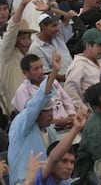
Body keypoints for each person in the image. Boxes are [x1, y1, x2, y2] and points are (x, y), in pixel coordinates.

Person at [8, 53, 61, 185]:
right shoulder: (21, 123)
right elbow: (37, 101)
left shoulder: (51, 132)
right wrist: (54, 72)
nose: (50, 114)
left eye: (51, 110)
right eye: (45, 111)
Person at [64, 21, 101, 109]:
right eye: (99, 45)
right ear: (88, 46)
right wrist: (85, 111)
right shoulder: (78, 65)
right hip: (94, 109)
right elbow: (70, 92)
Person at [12, 54, 76, 129]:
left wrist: (72, 116)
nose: (41, 71)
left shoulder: (53, 82)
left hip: (69, 123)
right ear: (25, 72)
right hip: (49, 129)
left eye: (41, 67)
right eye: (36, 69)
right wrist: (59, 122)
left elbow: (67, 100)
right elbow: (31, 118)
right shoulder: (22, 91)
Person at [0, 0, 37, 115]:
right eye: (22, 38)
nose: (27, 41)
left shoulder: (29, 55)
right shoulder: (6, 53)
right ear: (15, 40)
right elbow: (11, 30)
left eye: (29, 38)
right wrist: (22, 4)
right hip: (14, 112)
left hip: (32, 109)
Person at [34, 110, 87, 185]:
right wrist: (76, 128)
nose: (69, 167)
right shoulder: (42, 178)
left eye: (72, 162)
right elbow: (54, 157)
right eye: (64, 161)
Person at [29, 11, 74, 82]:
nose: (57, 29)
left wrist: (49, 8)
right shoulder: (36, 47)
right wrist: (68, 78)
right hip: (59, 87)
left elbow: (67, 16)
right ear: (43, 27)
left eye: (57, 25)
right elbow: (45, 73)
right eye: (53, 25)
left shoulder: (58, 36)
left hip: (73, 80)